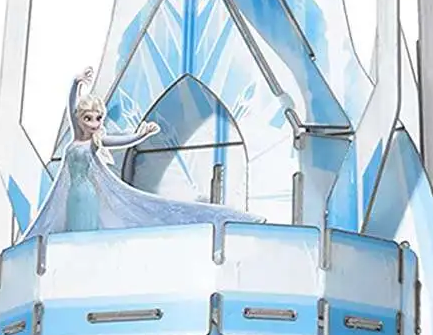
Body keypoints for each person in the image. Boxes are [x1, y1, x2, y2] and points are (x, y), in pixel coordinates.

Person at [24, 67, 261, 236]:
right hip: (73, 193)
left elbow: (122, 140)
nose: (94, 123)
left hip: (87, 194)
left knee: (86, 227)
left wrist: (141, 135)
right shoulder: (77, 137)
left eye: (98, 118)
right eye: (88, 118)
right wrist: (76, 84)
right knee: (71, 226)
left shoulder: (96, 141)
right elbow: (71, 106)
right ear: (80, 119)